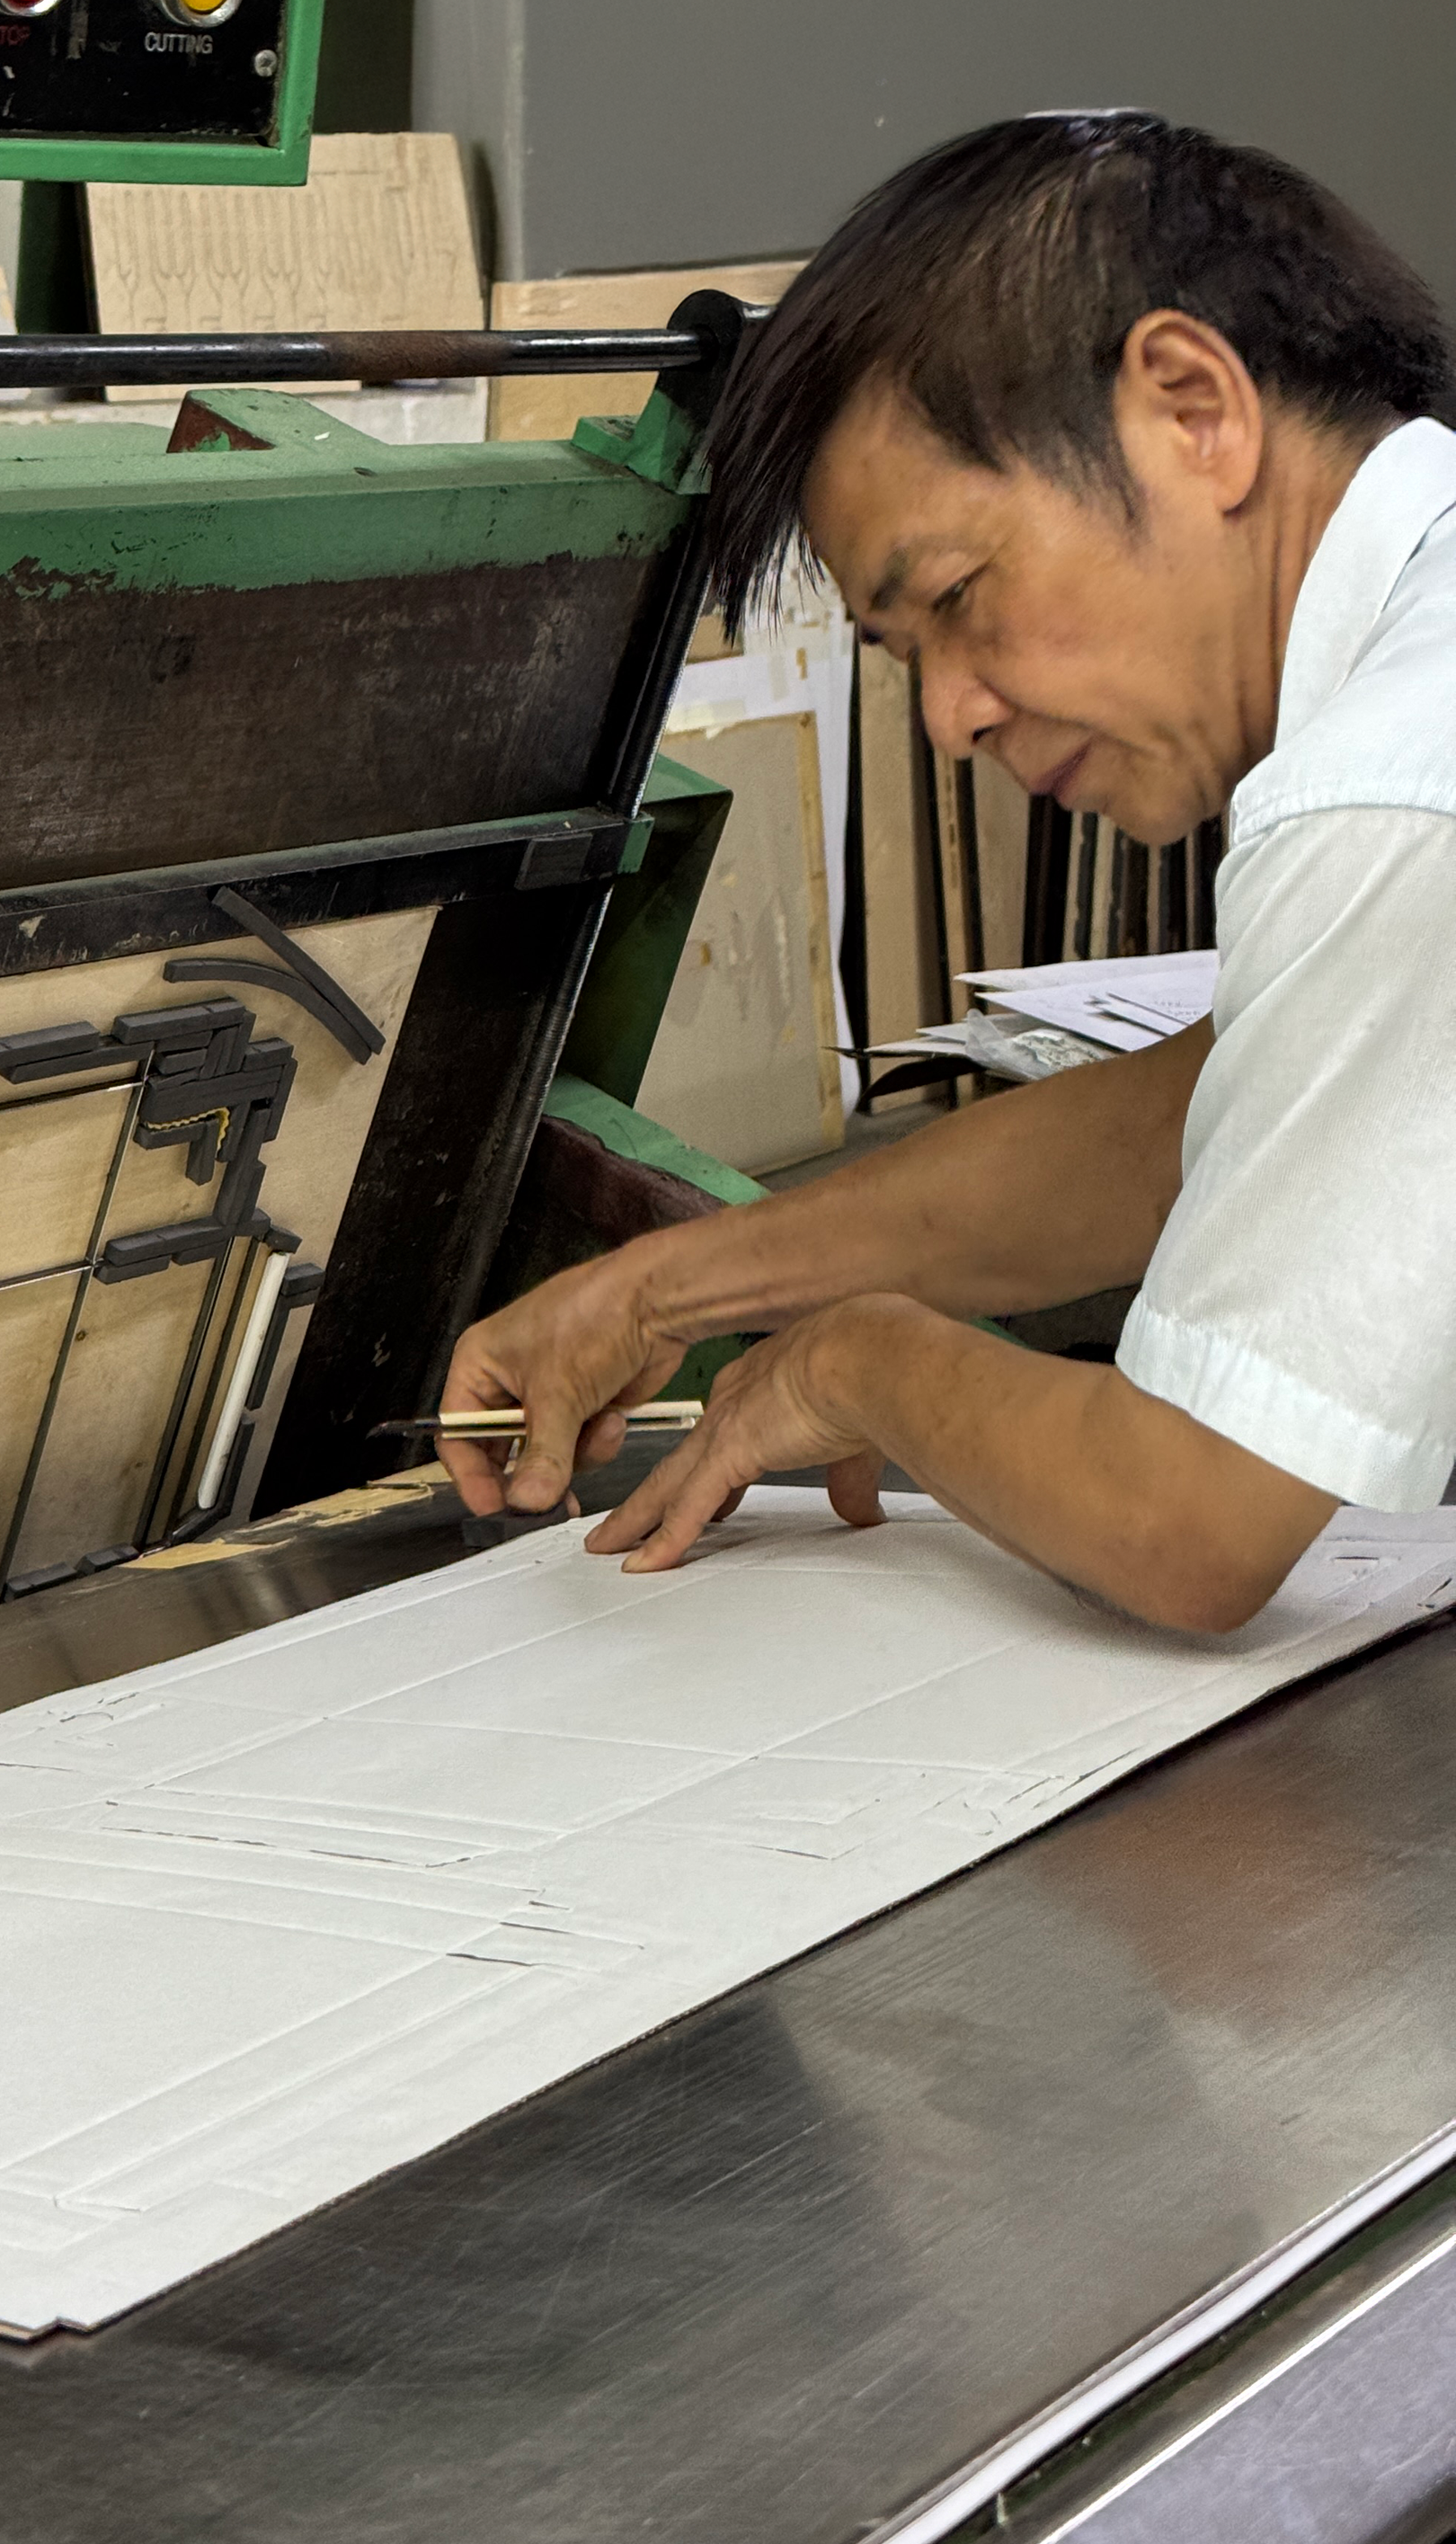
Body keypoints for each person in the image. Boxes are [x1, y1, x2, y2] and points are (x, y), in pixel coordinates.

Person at [438, 112, 1456, 1632]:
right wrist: (665, 1290)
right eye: (907, 656)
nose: (956, 712)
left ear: (1194, 409)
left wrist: (862, 1364)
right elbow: (1212, 1116)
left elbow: (1186, 1521)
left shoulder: (1387, 779)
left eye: (962, 598)